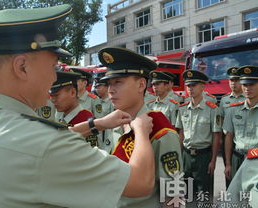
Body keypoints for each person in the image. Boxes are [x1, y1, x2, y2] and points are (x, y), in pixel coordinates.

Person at [0, 5, 155, 208]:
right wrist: (140, 131)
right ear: (22, 67)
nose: (54, 77)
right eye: (53, 67)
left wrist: (96, 124)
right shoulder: (44, 143)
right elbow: (140, 183)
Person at [98, 47, 183, 207]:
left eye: (118, 82)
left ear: (141, 85)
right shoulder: (114, 123)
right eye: (109, 83)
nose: (110, 90)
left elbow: (173, 195)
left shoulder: (161, 132)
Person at [176, 70, 221, 204]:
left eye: (194, 85)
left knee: (204, 195)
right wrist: (180, 157)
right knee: (189, 195)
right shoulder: (182, 108)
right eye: (188, 85)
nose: (190, 89)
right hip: (186, 156)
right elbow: (181, 133)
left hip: (204, 156)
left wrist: (213, 160)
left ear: (202, 87)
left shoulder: (212, 109)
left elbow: (216, 136)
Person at [223, 65, 258, 185]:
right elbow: (229, 136)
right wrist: (228, 163)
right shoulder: (233, 110)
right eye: (245, 85)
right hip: (237, 158)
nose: (247, 88)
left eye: (252, 84)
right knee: (237, 197)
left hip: (256, 160)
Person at [50, 70, 98, 147]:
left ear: (73, 92)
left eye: (56, 95)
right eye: (51, 96)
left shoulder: (86, 120)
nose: (53, 100)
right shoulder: (62, 117)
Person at [219, 66, 245, 188]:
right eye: (231, 80)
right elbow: (221, 121)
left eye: (236, 80)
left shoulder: (248, 98)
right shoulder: (224, 100)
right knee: (229, 171)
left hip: (244, 138)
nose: (233, 83)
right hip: (228, 140)